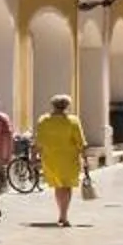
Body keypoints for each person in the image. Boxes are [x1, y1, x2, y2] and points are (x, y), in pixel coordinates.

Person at [34, 93, 89, 227]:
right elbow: (81, 142)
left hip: (50, 159)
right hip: (69, 159)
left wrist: (33, 157)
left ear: (53, 105)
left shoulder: (43, 120)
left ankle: (62, 214)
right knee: (66, 187)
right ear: (67, 106)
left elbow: (38, 141)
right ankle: (63, 215)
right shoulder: (73, 121)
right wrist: (85, 159)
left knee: (58, 186)